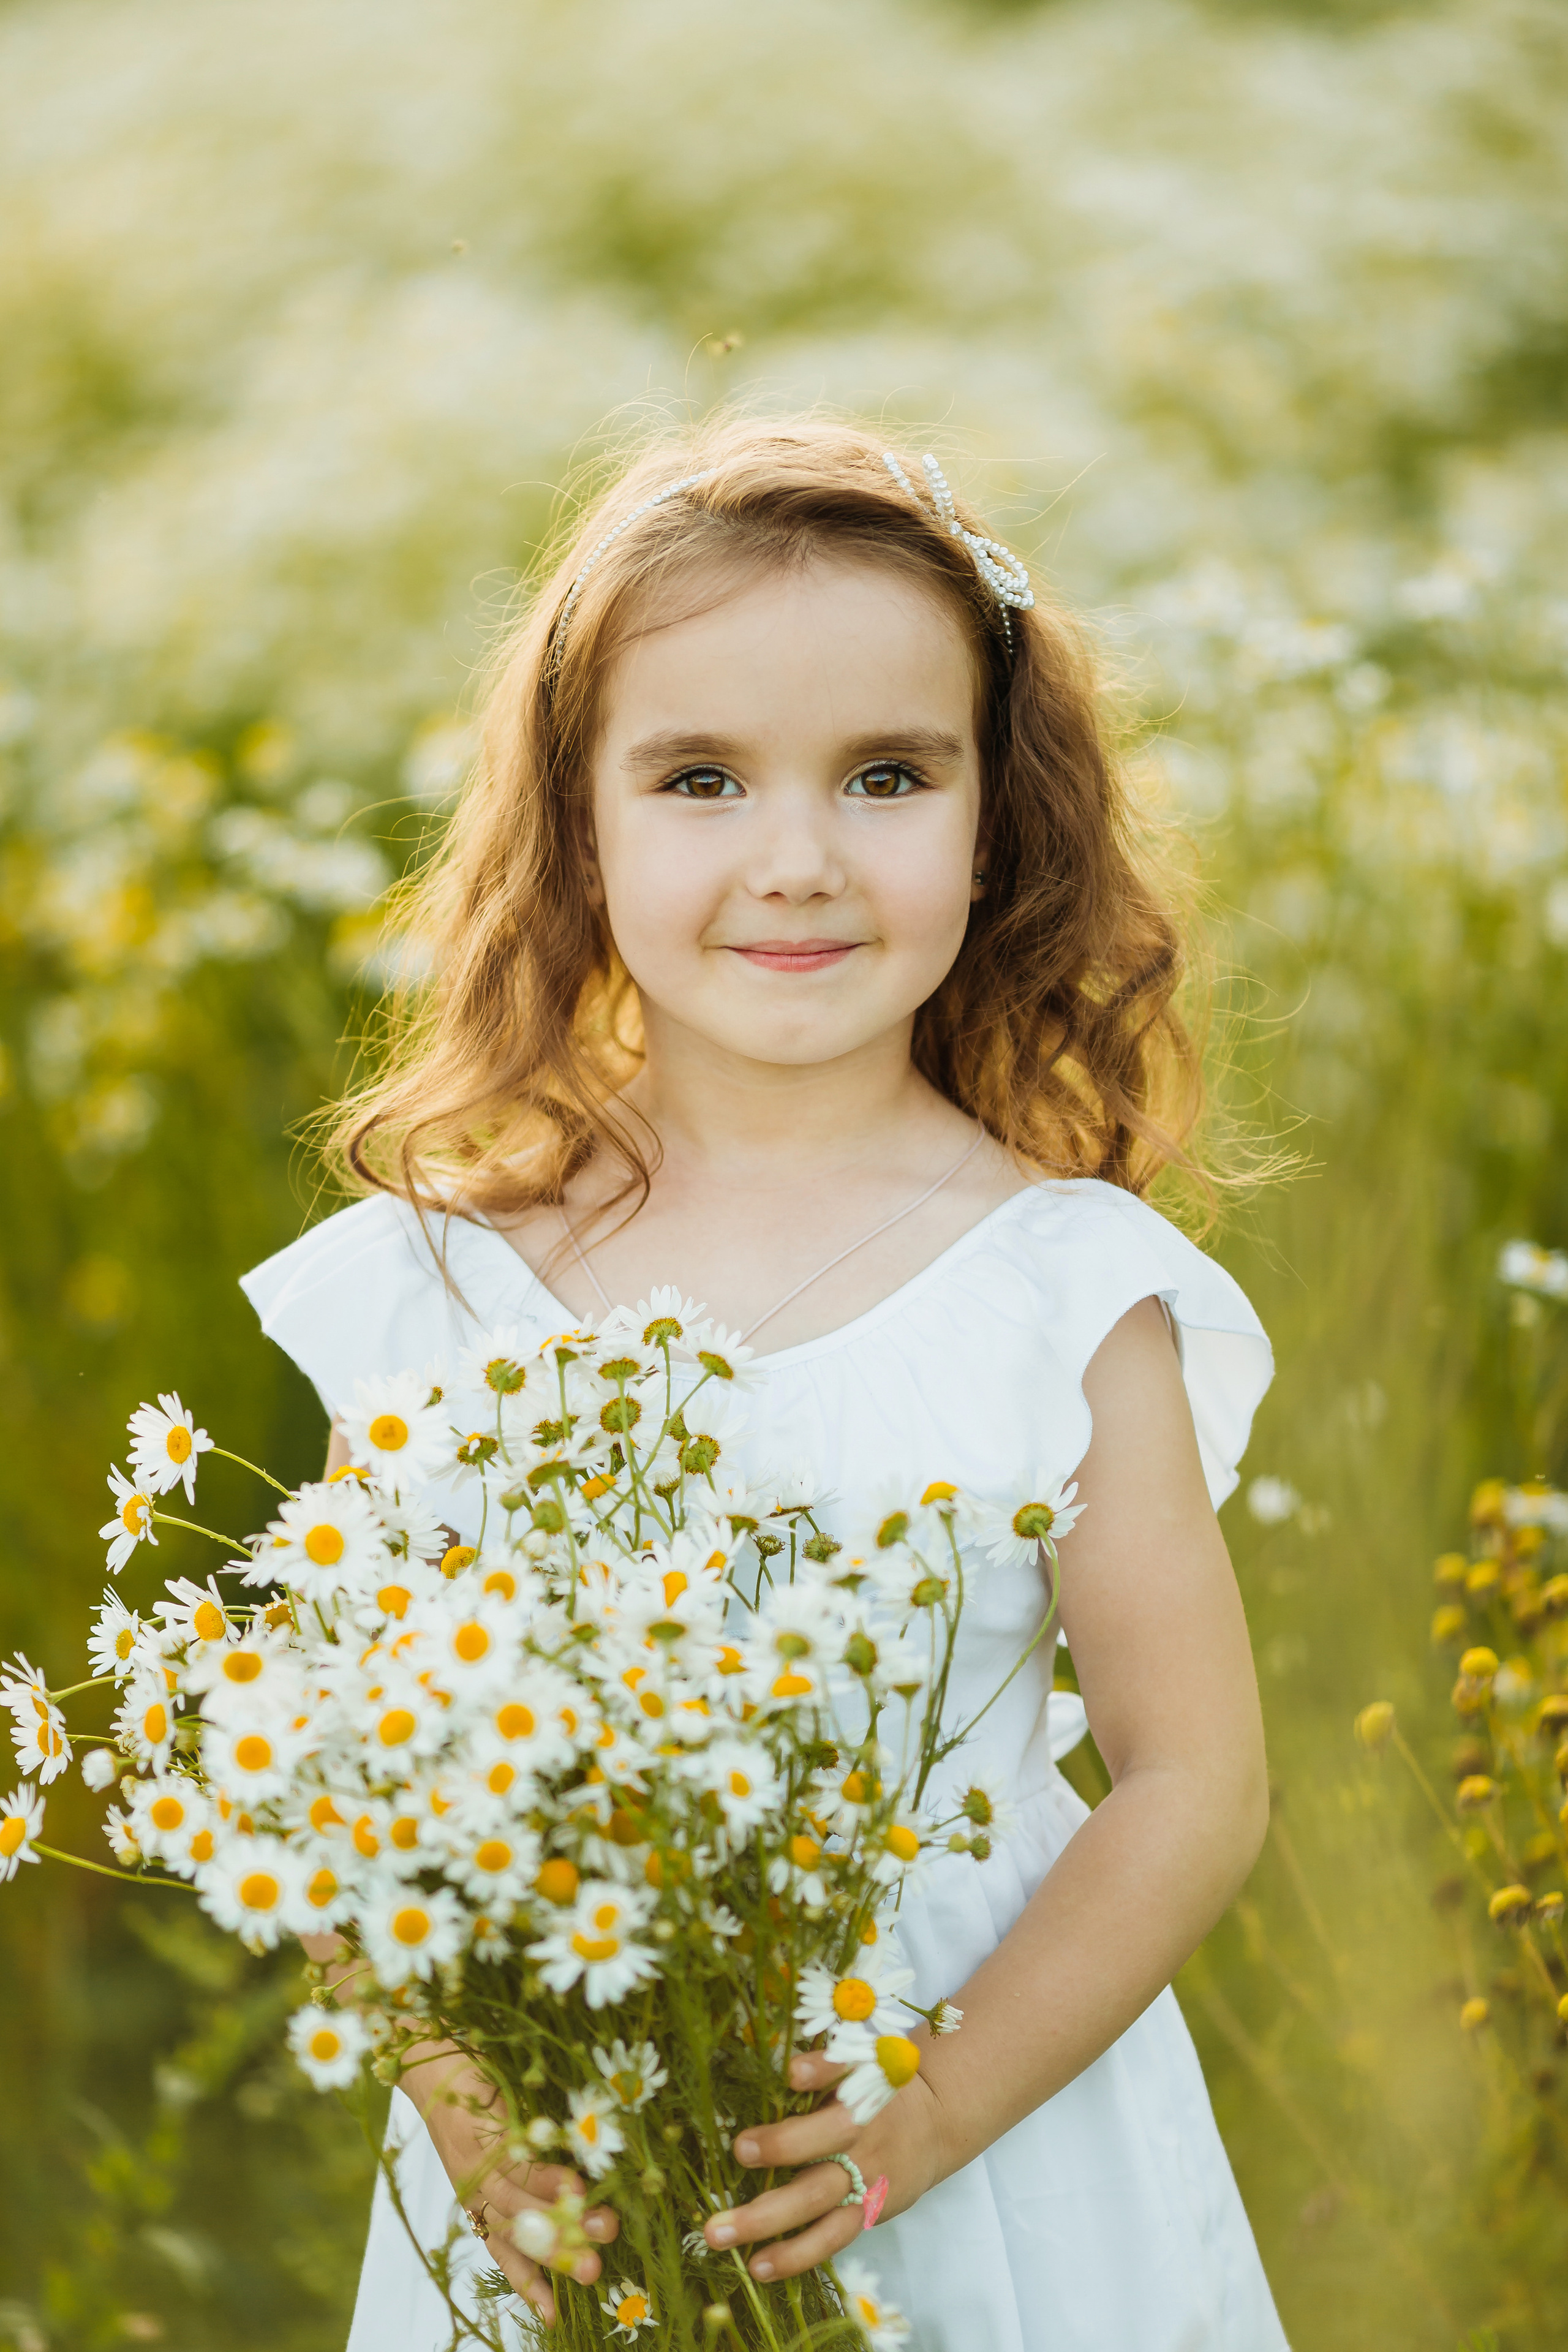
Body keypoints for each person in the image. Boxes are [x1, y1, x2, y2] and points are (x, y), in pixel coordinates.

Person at [241, 415, 1289, 2351]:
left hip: (989, 2139)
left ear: (996, 824)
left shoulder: (1064, 1288)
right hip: (575, 2132)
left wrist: (930, 2113)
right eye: (701, 779)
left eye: (886, 776)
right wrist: (486, 2131)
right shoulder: (443, 1289)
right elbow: (333, 1775)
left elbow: (1194, 1773)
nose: (795, 861)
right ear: (580, 827)